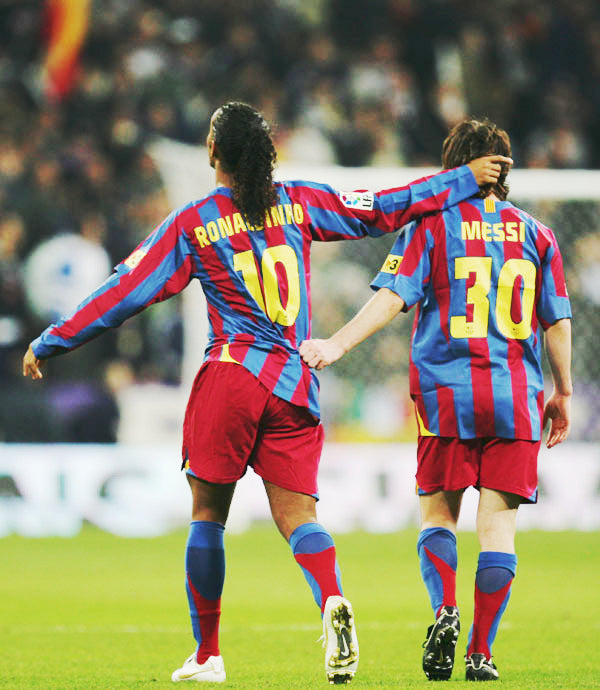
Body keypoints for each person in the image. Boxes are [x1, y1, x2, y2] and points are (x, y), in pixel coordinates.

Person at [22, 102, 510, 685]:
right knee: (300, 517)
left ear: (213, 152)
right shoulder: (300, 201)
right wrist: (463, 180)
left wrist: (53, 340)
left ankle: (207, 655)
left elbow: (126, 290)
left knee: (208, 515)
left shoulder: (195, 221)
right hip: (295, 380)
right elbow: (385, 207)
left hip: (232, 374)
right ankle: (332, 598)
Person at [299, 118, 572, 682]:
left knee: (439, 515)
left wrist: (337, 344)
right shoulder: (538, 235)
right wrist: (562, 390)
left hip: (447, 395)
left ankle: (445, 608)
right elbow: (558, 322)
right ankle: (480, 652)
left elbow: (392, 297)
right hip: (516, 398)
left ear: (455, 166)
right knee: (498, 529)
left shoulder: (432, 225)